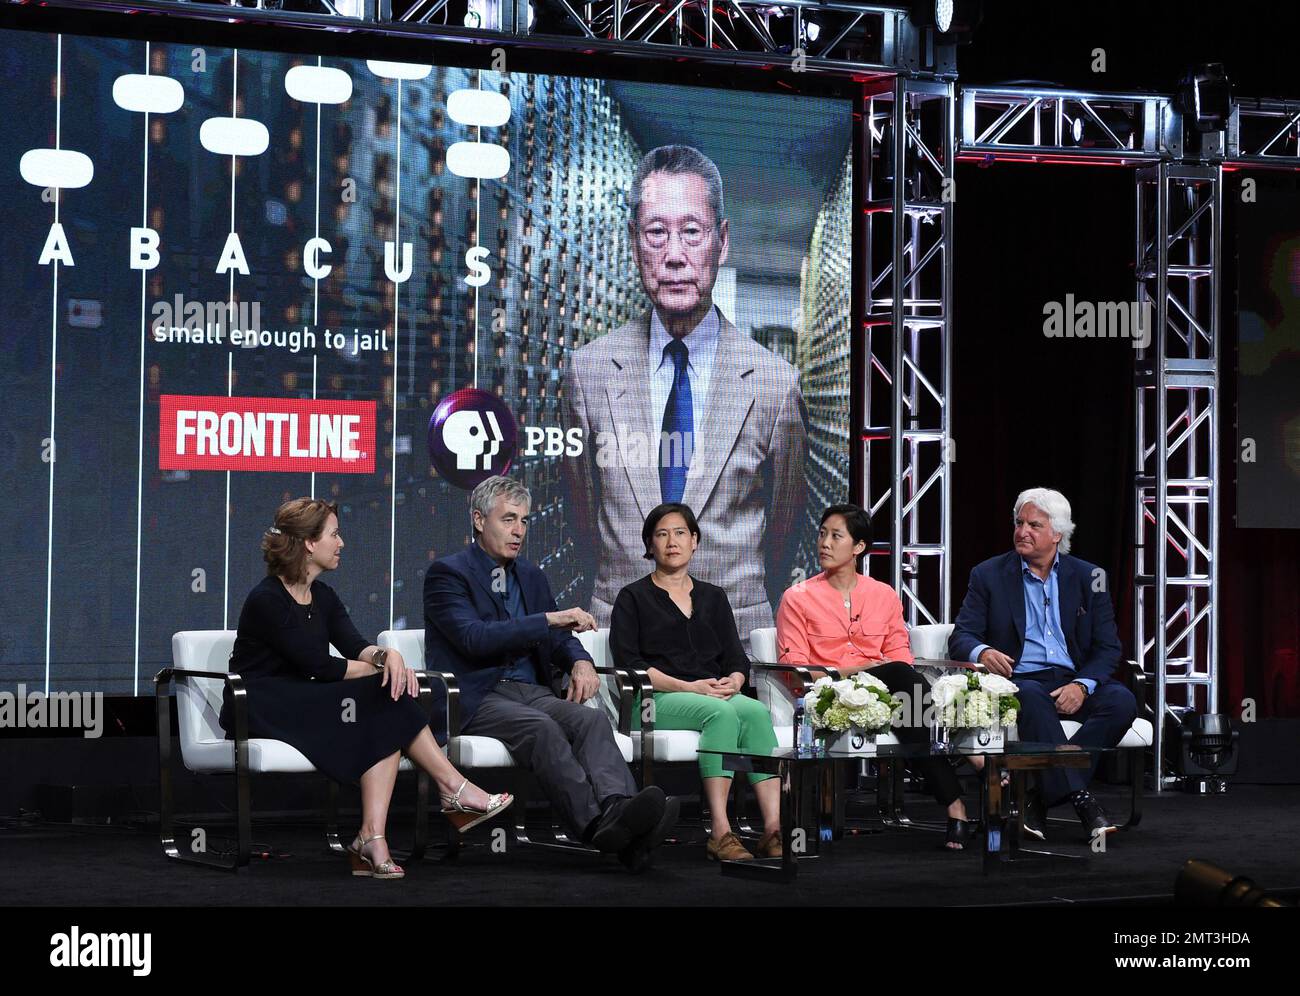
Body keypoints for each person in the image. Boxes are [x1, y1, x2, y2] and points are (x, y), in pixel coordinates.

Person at [564, 143, 808, 644]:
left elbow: (784, 529)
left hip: (734, 639)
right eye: (656, 232)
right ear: (634, 243)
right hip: (619, 635)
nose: (674, 255)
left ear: (721, 242)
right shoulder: (588, 372)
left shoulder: (774, 383)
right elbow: (583, 518)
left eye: (691, 232)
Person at [223, 498, 512, 881]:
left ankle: (373, 837)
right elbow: (320, 665)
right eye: (334, 534)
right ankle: (452, 789)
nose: (341, 543)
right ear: (309, 543)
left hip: (301, 696)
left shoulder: (322, 596)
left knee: (385, 700)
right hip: (259, 703)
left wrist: (385, 655)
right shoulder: (267, 599)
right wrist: (381, 668)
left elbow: (354, 644)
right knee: (383, 691)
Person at [423, 475, 679, 873]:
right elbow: (473, 638)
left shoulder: (531, 575)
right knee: (541, 728)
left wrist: (580, 661)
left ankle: (620, 811)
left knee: (591, 720)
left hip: (531, 689)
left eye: (524, 521)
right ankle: (595, 826)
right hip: (477, 695)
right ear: (478, 519)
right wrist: (548, 619)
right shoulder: (448, 574)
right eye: (508, 519)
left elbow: (559, 639)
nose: (518, 531)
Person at [776, 503, 978, 851]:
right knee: (906, 689)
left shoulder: (883, 595)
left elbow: (900, 652)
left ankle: (956, 807)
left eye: (835, 536)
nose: (824, 542)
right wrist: (860, 671)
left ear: (858, 548)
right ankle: (967, 755)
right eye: (822, 533)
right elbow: (796, 669)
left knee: (907, 698)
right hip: (830, 692)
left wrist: (876, 676)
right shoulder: (797, 598)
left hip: (887, 692)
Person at [949, 487, 1138, 840]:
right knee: (1032, 696)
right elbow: (961, 636)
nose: (1022, 532)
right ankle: (1081, 798)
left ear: (1058, 534)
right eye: (1019, 523)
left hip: (1071, 678)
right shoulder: (988, 574)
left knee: (1122, 701)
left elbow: (1108, 647)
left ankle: (1040, 796)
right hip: (1020, 678)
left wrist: (1083, 685)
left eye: (1034, 525)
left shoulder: (1088, 577)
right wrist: (983, 651)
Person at [610, 502, 783, 862]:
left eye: (680, 533)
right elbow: (631, 665)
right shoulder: (633, 597)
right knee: (720, 715)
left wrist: (735, 680)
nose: (671, 541)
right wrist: (691, 688)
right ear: (649, 545)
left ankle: (772, 829)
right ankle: (720, 831)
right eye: (661, 534)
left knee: (754, 711)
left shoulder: (713, 596)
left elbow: (736, 657)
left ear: (695, 541)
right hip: (651, 700)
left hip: (712, 694)